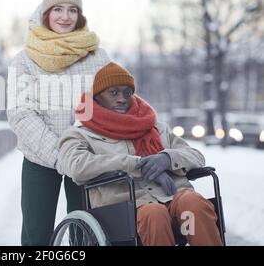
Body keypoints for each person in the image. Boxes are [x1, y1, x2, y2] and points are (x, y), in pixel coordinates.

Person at [56, 62, 223, 246]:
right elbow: (77, 167)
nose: (122, 99)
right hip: (126, 211)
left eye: (127, 92)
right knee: (154, 214)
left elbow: (196, 156)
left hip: (174, 201)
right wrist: (136, 165)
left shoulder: (156, 128)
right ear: (97, 97)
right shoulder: (79, 134)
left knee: (194, 203)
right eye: (113, 92)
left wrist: (166, 159)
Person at [6, 0, 111, 246]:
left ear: (80, 14)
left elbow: (112, 103)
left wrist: (83, 146)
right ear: (46, 12)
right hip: (40, 157)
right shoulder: (24, 60)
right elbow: (21, 114)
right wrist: (58, 153)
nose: (65, 17)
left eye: (72, 10)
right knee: (36, 236)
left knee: (87, 234)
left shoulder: (98, 56)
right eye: (58, 9)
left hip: (86, 156)